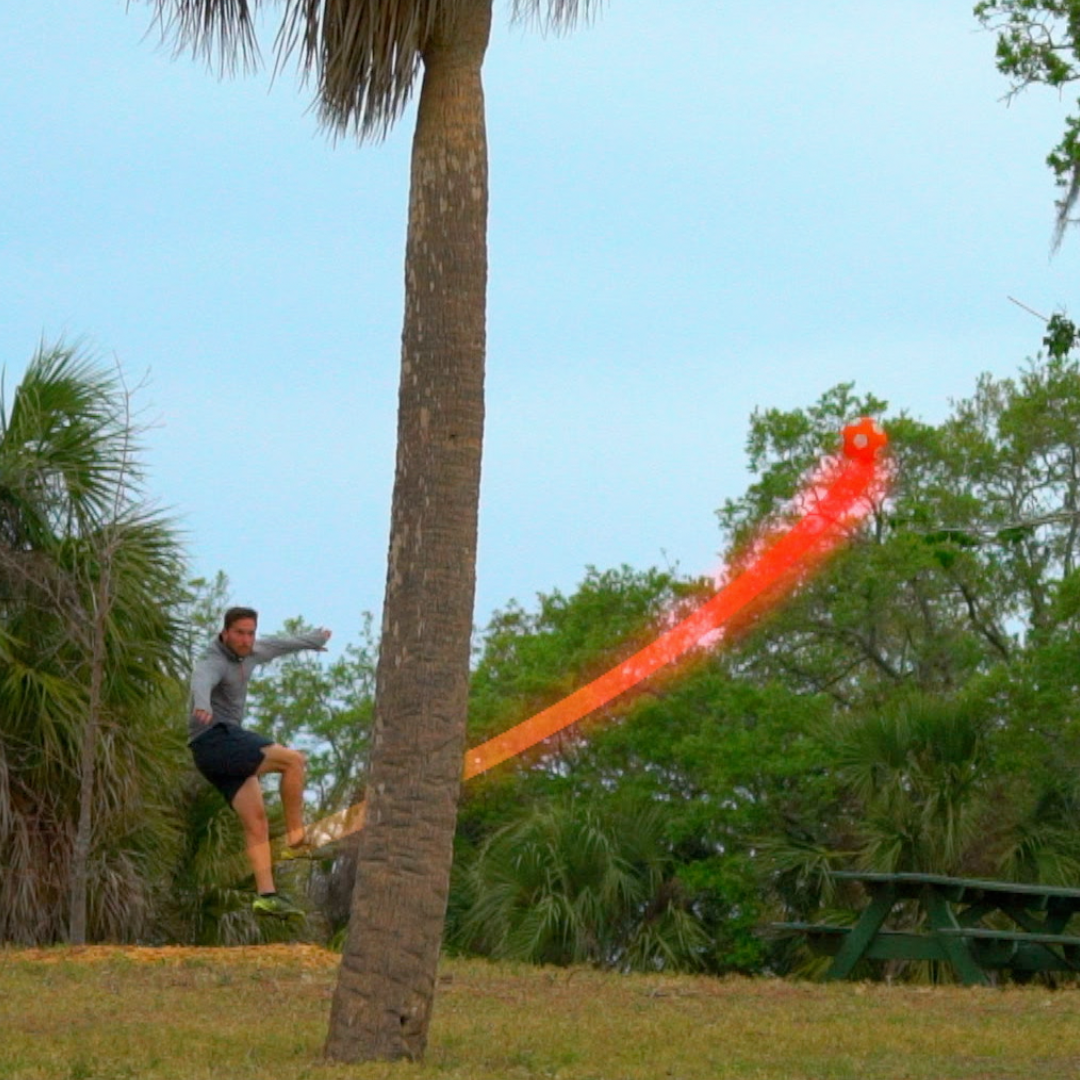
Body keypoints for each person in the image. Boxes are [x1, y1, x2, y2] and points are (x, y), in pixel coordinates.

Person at [188, 605, 331, 918]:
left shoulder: (252, 651)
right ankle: (297, 836)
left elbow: (281, 645)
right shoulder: (213, 659)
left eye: (250, 633)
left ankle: (266, 895)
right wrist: (201, 703)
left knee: (257, 822)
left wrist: (312, 640)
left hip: (215, 756)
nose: (245, 639)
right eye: (239, 633)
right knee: (293, 761)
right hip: (216, 739)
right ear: (225, 633)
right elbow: (202, 678)